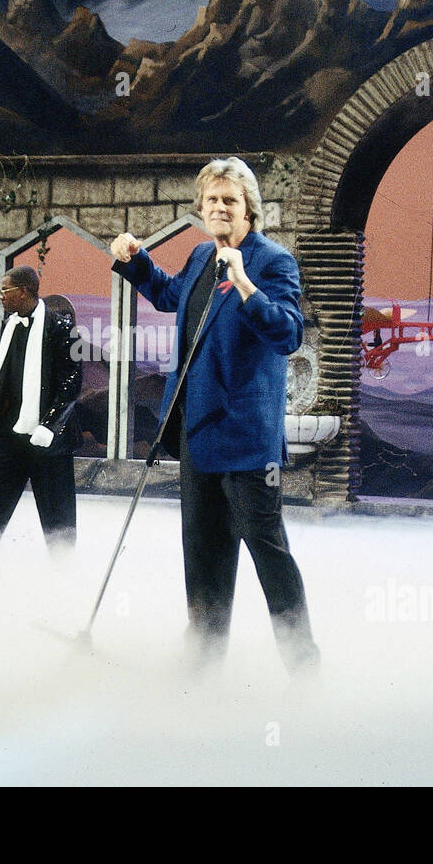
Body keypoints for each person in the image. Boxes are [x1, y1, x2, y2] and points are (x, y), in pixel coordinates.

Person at [110, 156, 320, 673]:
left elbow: (288, 333)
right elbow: (169, 295)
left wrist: (246, 284)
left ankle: (303, 666)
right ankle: (202, 664)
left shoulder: (273, 261)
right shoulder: (202, 256)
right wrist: (136, 260)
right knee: (203, 556)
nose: (221, 207)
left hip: (248, 443)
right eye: (213, 200)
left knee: (269, 555)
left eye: (231, 200)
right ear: (201, 210)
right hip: (197, 436)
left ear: (250, 210)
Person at [0, 265, 82, 557]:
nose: (1, 297)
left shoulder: (62, 327)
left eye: (5, 291)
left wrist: (49, 424)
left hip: (48, 441)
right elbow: (2, 378)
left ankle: (64, 573)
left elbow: (71, 381)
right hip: (11, 435)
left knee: (58, 517)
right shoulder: (10, 325)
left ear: (23, 291)